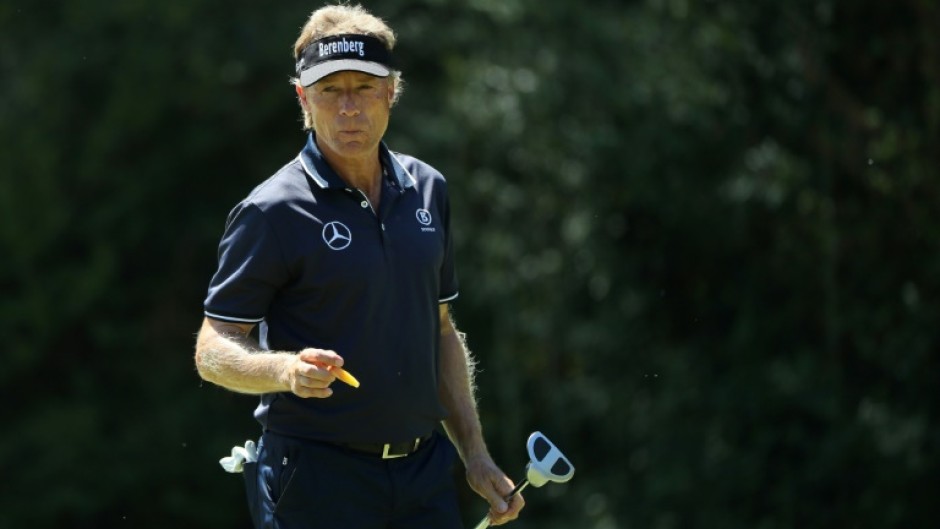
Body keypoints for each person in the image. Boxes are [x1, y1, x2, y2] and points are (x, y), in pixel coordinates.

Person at [194, 4, 525, 528]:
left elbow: (440, 331)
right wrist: (284, 370)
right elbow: (212, 350)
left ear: (391, 91)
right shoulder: (271, 211)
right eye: (330, 91)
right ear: (304, 99)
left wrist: (476, 453)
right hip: (317, 479)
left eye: (364, 87)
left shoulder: (428, 188)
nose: (349, 107)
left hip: (424, 474)